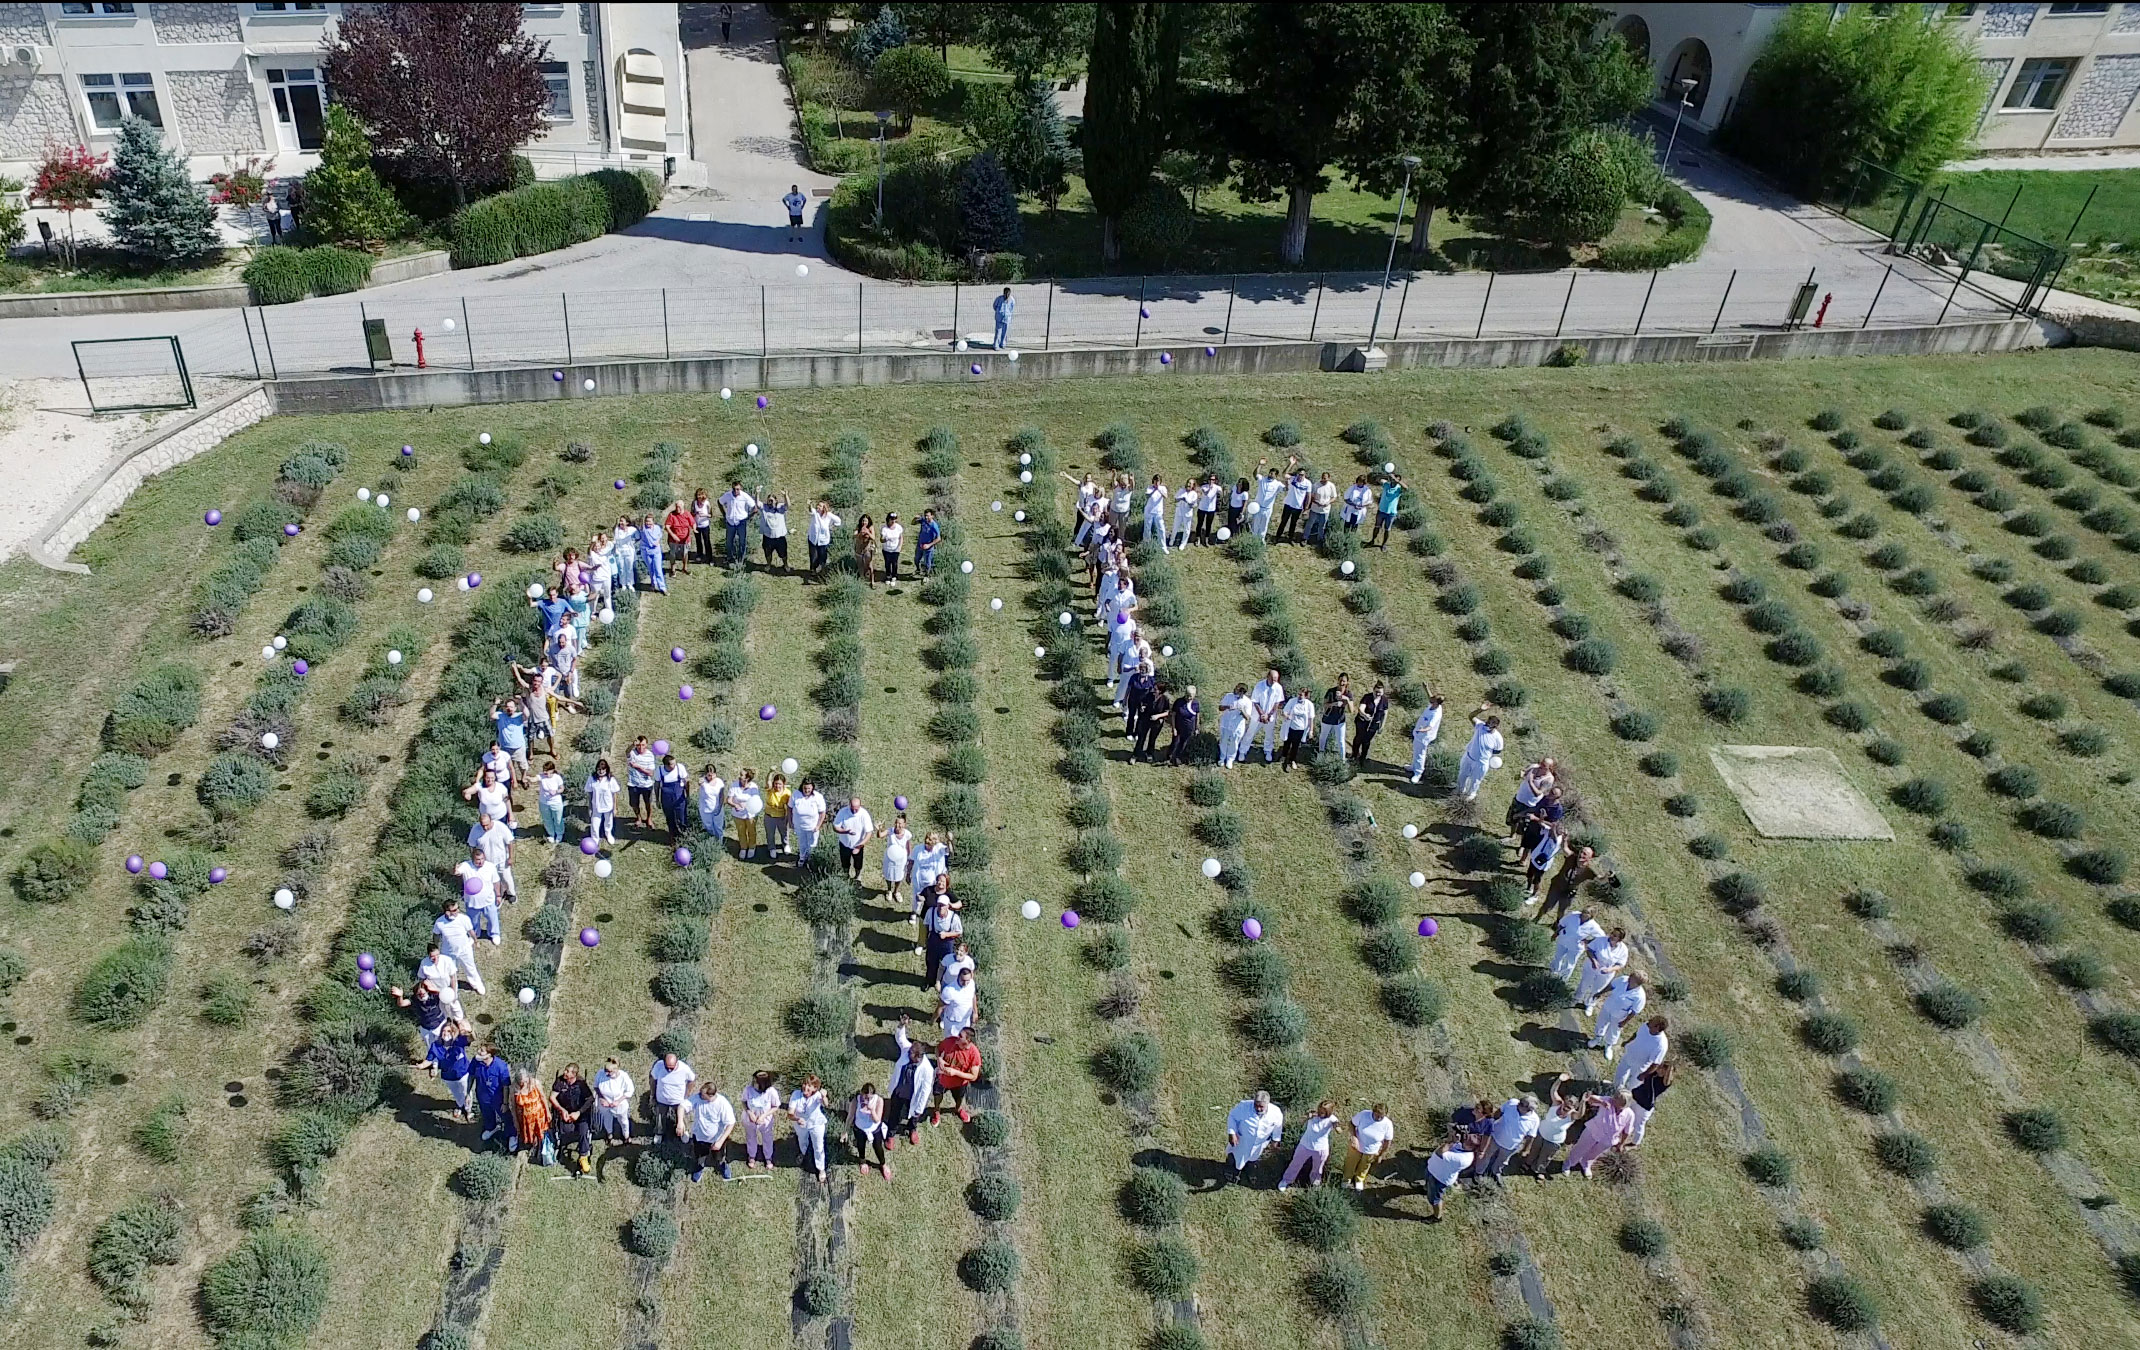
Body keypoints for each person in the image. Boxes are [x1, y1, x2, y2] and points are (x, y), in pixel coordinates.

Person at [1563, 1090, 1634, 1178]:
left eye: (1618, 1100)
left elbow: (1626, 1131)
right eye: (1616, 1098)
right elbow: (1589, 1098)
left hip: (1608, 1139)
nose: (1614, 1100)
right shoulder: (1607, 1100)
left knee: (1595, 1153)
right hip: (1594, 1130)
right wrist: (1602, 1102)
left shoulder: (1630, 1114)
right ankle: (1569, 1163)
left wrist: (1621, 1144)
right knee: (1580, 1147)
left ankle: (1585, 1164)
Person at [1520, 1074, 1579, 1179]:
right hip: (1542, 1132)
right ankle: (1528, 1163)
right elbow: (1553, 1091)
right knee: (1534, 1149)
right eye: (1565, 1104)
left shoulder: (1572, 1115)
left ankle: (1539, 1170)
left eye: (1569, 1107)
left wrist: (1584, 1101)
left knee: (1545, 1156)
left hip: (1554, 1141)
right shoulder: (1557, 1103)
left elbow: (1580, 1115)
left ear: (1573, 1108)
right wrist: (1559, 1080)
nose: (1565, 1108)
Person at [889, 1019, 937, 1145]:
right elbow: (900, 1038)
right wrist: (901, 1025)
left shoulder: (927, 1069)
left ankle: (912, 1129)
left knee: (914, 1116)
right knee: (894, 1113)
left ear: (920, 1057)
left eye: (913, 1058)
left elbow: (925, 1090)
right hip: (899, 1091)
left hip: (913, 1096)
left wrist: (920, 1108)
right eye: (910, 1055)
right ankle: (891, 1133)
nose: (910, 1058)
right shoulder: (907, 1050)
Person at [1223, 1090, 1285, 1185]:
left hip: (1259, 1144)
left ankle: (1249, 1172)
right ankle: (1232, 1172)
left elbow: (1277, 1127)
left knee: (1252, 1159)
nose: (1258, 1109)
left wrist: (1275, 1141)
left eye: (1261, 1106)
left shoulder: (1276, 1113)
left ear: (1267, 1104)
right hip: (1241, 1141)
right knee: (1234, 1157)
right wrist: (1232, 1133)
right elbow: (1232, 1117)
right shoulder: (1244, 1106)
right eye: (1256, 1105)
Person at [1279, 1100, 1339, 1191]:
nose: (1320, 1113)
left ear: (1328, 1112)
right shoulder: (1312, 1115)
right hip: (1305, 1145)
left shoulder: (1332, 1119)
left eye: (1323, 1112)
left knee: (1318, 1167)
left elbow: (1339, 1130)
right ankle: (1287, 1180)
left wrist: (1335, 1126)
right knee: (1295, 1163)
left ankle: (1315, 1182)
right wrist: (1308, 1117)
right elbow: (1299, 1122)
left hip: (1321, 1148)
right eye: (1319, 1110)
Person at [1473, 1097, 1537, 1182]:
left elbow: (1531, 1136)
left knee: (1502, 1161)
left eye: (1521, 1104)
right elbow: (1500, 1111)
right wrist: (1489, 1123)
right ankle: (1478, 1172)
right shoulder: (1512, 1103)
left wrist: (1526, 1149)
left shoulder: (1535, 1120)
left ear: (1528, 1110)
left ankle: (1495, 1172)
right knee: (1485, 1155)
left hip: (1511, 1146)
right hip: (1495, 1137)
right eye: (1520, 1101)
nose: (1518, 1103)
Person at [1540, 845, 1603, 929]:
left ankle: (1557, 924)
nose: (1581, 855)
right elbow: (1565, 848)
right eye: (1581, 852)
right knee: (1547, 905)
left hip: (1569, 892)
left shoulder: (1588, 870)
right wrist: (1564, 839)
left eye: (1584, 854)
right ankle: (1537, 918)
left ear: (1589, 858)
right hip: (1557, 886)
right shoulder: (1571, 858)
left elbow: (1600, 880)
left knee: (1562, 910)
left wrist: (1607, 877)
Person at [1590, 974, 1650, 1059]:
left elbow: (1634, 1011)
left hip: (1619, 1015)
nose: (1629, 978)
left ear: (1637, 983)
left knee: (1614, 1031)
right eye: (1630, 976)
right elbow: (1611, 986)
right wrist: (1600, 993)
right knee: (1601, 1023)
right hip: (1608, 1006)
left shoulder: (1640, 996)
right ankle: (1597, 1038)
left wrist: (1624, 1022)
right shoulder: (1622, 979)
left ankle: (1608, 1046)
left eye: (1632, 978)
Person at [433, 899, 486, 995]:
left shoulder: (464, 918)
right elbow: (436, 936)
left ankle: (477, 984)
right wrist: (436, 949)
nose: (457, 911)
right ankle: (453, 988)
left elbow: (471, 931)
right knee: (450, 971)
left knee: (470, 968)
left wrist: (476, 941)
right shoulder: (439, 922)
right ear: (447, 911)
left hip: (464, 949)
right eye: (454, 910)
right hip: (448, 952)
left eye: (457, 908)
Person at [688, 1081, 737, 1182]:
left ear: (710, 1096)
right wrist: (680, 1122)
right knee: (700, 1155)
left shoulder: (723, 1104)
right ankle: (700, 1167)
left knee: (719, 1156)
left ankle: (722, 1166)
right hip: (700, 1137)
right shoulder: (698, 1098)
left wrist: (720, 1142)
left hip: (717, 1139)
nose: (700, 1095)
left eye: (703, 1094)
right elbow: (683, 1106)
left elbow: (730, 1123)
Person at [1423, 1125, 1475, 1220]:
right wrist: (1454, 1132)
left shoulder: (1463, 1159)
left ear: (1470, 1146)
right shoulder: (1462, 1145)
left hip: (1439, 1178)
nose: (1464, 1138)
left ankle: (1437, 1217)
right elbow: (1449, 1127)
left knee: (1434, 1200)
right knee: (1428, 1184)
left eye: (1466, 1138)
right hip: (1433, 1169)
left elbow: (1439, 1152)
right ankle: (1426, 1189)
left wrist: (1451, 1141)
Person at [552, 1063, 595, 1175]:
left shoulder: (581, 1084)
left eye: (567, 1071)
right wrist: (562, 1110)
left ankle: (583, 1156)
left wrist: (578, 1113)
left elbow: (590, 1099)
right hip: (566, 1113)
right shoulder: (560, 1082)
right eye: (565, 1070)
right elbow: (552, 1098)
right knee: (565, 1130)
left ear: (574, 1074)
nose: (564, 1072)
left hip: (579, 1115)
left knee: (583, 1130)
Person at [391, 978, 451, 1059]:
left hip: (439, 1024)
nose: (421, 994)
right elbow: (401, 1004)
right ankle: (434, 1063)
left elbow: (447, 996)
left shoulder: (435, 996)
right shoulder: (415, 1000)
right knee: (430, 1047)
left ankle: (447, 1059)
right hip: (425, 1027)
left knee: (443, 1043)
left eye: (424, 991)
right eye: (419, 993)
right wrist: (400, 996)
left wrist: (435, 989)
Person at [453, 846, 502, 945]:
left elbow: (496, 882)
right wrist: (454, 869)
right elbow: (456, 872)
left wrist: (498, 895)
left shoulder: (490, 867)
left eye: (482, 859)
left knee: (493, 918)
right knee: (473, 921)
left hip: (488, 900)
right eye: (478, 860)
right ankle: (474, 934)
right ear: (472, 859)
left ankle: (494, 934)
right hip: (472, 901)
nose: (480, 862)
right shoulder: (466, 866)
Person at [1340, 1103, 1395, 1190]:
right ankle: (1346, 1179)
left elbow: (1387, 1141)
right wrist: (1354, 1137)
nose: (1379, 1118)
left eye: (1382, 1116)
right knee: (1350, 1163)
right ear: (1373, 1112)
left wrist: (1381, 1155)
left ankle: (1359, 1180)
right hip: (1356, 1146)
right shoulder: (1364, 1114)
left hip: (1371, 1150)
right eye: (1377, 1116)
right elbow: (1351, 1124)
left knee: (1365, 1166)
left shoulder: (1388, 1124)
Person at [466, 810, 517, 904]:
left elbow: (510, 842)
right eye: (483, 825)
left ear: (491, 821)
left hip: (502, 859)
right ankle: (497, 894)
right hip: (487, 862)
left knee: (506, 878)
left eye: (487, 825)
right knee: (491, 880)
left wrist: (511, 857)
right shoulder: (475, 829)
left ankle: (511, 893)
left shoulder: (500, 827)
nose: (485, 828)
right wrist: (474, 860)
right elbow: (472, 845)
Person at [1578, 929, 1632, 1014]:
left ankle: (1590, 1004)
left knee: (1598, 989)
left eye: (1615, 935)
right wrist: (1594, 961)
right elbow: (1589, 950)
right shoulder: (1600, 940)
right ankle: (1577, 998)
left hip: (1606, 972)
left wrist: (1610, 969)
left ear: (1620, 939)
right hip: (1593, 966)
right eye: (1612, 933)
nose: (1611, 936)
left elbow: (1620, 964)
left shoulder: (1623, 949)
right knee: (1585, 983)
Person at [1456, 707, 1504, 802]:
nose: (1488, 726)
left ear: (1495, 726)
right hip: (1469, 757)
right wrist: (1480, 709)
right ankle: (1459, 791)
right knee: (1462, 775)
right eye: (1487, 723)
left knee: (1475, 780)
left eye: (1491, 725)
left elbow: (1498, 750)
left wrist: (1485, 753)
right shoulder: (1480, 726)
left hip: (1481, 763)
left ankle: (1470, 795)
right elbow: (1471, 716)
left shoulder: (1498, 738)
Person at [934, 1027, 981, 1124]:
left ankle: (958, 1109)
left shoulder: (974, 1054)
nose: (957, 1037)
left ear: (968, 1041)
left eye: (960, 1036)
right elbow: (937, 1048)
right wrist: (939, 1059)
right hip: (942, 1078)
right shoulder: (950, 1041)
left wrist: (955, 1072)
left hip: (959, 1084)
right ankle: (936, 1110)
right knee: (937, 1095)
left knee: (959, 1098)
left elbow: (973, 1076)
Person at [430, 1019, 474, 1121]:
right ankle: (459, 1105)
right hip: (448, 1076)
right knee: (456, 1093)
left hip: (463, 1073)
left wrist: (470, 1031)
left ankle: (468, 1110)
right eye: (444, 1031)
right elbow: (435, 1058)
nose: (445, 1034)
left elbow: (472, 1038)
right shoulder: (437, 1044)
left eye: (449, 1031)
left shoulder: (459, 1041)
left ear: (454, 1032)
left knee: (466, 1092)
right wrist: (435, 1068)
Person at [1614, 1015, 1671, 1093]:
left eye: (1652, 1021)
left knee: (1631, 1088)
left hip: (1640, 1067)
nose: (1649, 1020)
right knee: (1619, 1078)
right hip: (1629, 1056)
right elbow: (1636, 1034)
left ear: (1657, 1028)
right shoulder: (1645, 1026)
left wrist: (1643, 1075)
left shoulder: (1661, 1045)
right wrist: (1628, 1042)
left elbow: (1655, 1064)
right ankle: (1615, 1091)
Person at [790, 1074, 830, 1182]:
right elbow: (790, 1113)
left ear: (815, 1088)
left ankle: (821, 1168)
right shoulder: (796, 1095)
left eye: (809, 1086)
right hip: (801, 1124)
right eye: (804, 1084)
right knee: (802, 1140)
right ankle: (803, 1153)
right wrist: (797, 1119)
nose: (805, 1087)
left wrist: (824, 1096)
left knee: (818, 1146)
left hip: (816, 1124)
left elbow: (826, 1104)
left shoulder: (817, 1096)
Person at [650, 1050, 697, 1140]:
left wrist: (687, 1094)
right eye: (667, 1067)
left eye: (672, 1068)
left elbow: (692, 1080)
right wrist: (653, 1093)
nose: (669, 1070)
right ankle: (659, 1133)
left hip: (678, 1100)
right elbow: (653, 1079)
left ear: (677, 1063)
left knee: (682, 1117)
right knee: (660, 1117)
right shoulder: (659, 1066)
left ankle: (684, 1131)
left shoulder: (684, 1069)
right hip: (662, 1099)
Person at [1507, 759, 1558, 842]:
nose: (1540, 766)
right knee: (1513, 818)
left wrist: (1531, 782)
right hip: (1520, 797)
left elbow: (1538, 793)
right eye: (1541, 763)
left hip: (1530, 804)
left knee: (1525, 826)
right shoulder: (1533, 767)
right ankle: (1512, 835)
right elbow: (1523, 773)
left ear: (1550, 768)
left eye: (1544, 766)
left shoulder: (1549, 779)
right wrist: (1520, 774)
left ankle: (1522, 846)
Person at [471, 1044, 513, 1142]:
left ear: (489, 1055)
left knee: (506, 1116)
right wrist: (467, 1093)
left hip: (497, 1097)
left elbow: (506, 1086)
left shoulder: (500, 1066)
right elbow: (471, 1076)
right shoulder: (476, 1062)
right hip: (482, 1096)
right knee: (487, 1114)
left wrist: (505, 1103)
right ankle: (491, 1128)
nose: (478, 1052)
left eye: (482, 1050)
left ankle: (512, 1134)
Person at [1627, 1059, 1674, 1147]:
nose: (1660, 1070)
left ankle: (1634, 1143)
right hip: (1636, 1096)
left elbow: (1667, 1079)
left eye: (1663, 1069)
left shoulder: (1664, 1083)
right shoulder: (1653, 1073)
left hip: (1645, 1105)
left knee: (1638, 1125)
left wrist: (1670, 1067)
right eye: (1660, 1067)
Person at [1552, 907, 1607, 981]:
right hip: (1563, 939)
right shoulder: (1573, 915)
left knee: (1570, 963)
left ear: (1591, 915)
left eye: (1587, 913)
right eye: (1583, 911)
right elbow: (1562, 924)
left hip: (1576, 946)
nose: (1584, 914)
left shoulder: (1593, 926)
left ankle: (1562, 979)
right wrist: (1555, 934)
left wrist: (1588, 941)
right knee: (1558, 957)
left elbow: (1601, 937)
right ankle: (1553, 972)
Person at [850, 1081, 891, 1178]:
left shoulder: (879, 1101)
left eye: (869, 1098)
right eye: (865, 1097)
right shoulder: (856, 1100)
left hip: (874, 1129)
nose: (866, 1100)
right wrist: (845, 1131)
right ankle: (862, 1161)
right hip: (859, 1128)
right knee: (861, 1145)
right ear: (861, 1093)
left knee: (878, 1147)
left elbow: (877, 1120)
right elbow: (850, 1116)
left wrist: (872, 1110)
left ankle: (883, 1164)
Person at [743, 1070, 782, 1170]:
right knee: (750, 1137)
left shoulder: (771, 1092)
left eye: (755, 1081)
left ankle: (768, 1157)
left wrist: (764, 1116)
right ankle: (752, 1156)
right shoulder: (748, 1089)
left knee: (767, 1138)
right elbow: (744, 1102)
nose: (753, 1083)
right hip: (750, 1119)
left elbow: (775, 1106)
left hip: (765, 1121)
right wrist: (749, 1113)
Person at [922, 889, 963, 984]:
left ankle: (943, 981)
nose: (940, 907)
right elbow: (926, 925)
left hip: (947, 942)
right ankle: (930, 981)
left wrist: (947, 934)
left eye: (943, 905)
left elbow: (959, 932)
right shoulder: (931, 912)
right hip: (933, 939)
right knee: (931, 961)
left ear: (948, 906)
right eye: (939, 905)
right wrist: (925, 940)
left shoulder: (954, 918)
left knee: (947, 962)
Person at [511, 1069, 553, 1160]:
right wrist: (515, 1121)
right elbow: (513, 1106)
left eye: (525, 1082)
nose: (524, 1084)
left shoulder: (535, 1083)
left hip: (538, 1115)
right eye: (521, 1083)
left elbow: (543, 1097)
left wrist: (548, 1112)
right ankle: (532, 1146)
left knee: (540, 1133)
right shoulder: (514, 1088)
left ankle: (539, 1149)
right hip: (524, 1118)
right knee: (528, 1134)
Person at [593, 1057, 634, 1145]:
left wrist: (618, 1101)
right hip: (604, 1104)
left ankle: (626, 1136)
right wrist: (601, 1098)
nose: (607, 1073)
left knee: (623, 1120)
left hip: (619, 1105)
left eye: (609, 1071)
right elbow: (596, 1087)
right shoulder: (600, 1074)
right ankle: (609, 1134)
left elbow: (630, 1091)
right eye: (606, 1070)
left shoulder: (624, 1077)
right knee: (607, 1119)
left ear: (616, 1069)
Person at [833, 795, 873, 881]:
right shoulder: (843, 812)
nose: (854, 811)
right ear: (849, 805)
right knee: (845, 862)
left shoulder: (864, 814)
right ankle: (846, 875)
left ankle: (857, 876)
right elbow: (835, 827)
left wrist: (860, 846)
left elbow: (869, 832)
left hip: (858, 845)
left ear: (860, 806)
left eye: (856, 809)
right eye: (852, 808)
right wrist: (845, 831)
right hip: (844, 844)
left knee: (858, 864)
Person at [880, 813, 915, 912]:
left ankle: (896, 891)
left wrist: (910, 858)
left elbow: (908, 846)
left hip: (901, 859)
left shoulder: (907, 834)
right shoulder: (890, 831)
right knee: (888, 874)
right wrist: (879, 829)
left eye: (900, 823)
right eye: (896, 823)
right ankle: (889, 890)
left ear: (904, 824)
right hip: (890, 858)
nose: (897, 825)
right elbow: (880, 835)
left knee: (899, 876)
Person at [727, 768, 765, 858]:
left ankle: (752, 847)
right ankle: (743, 847)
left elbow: (756, 800)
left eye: (741, 775)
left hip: (750, 814)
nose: (739, 777)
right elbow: (728, 800)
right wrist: (735, 805)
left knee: (752, 831)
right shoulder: (734, 785)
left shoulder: (753, 787)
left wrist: (747, 804)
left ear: (747, 778)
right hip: (738, 814)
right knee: (741, 832)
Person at [1250, 669, 1287, 763]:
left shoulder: (1278, 687)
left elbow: (1277, 703)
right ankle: (1243, 750)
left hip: (1270, 717)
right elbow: (1255, 701)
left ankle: (1268, 751)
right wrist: (1262, 714)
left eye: (1276, 679)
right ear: (1268, 677)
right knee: (1250, 733)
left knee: (1269, 734)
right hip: (1257, 715)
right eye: (1273, 679)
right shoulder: (1259, 685)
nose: (1275, 681)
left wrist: (1269, 715)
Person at [1217, 683, 1257, 769]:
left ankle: (1230, 759)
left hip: (1237, 727)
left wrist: (1241, 710)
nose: (1234, 689)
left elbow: (1247, 717)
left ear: (1242, 692)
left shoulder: (1247, 702)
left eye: (1237, 689)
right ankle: (1222, 757)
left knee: (1234, 743)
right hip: (1226, 723)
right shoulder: (1228, 696)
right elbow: (1220, 708)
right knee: (1223, 741)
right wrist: (1228, 707)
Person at [718, 480, 757, 566]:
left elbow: (755, 508)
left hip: (741, 522)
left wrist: (748, 517)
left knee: (742, 541)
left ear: (741, 489)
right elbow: (719, 502)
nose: (736, 491)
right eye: (734, 489)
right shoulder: (727, 495)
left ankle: (741, 559)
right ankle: (730, 558)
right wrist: (724, 514)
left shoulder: (744, 496)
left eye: (738, 489)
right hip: (730, 522)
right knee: (729, 541)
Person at [584, 758, 621, 848]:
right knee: (595, 824)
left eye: (603, 769)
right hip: (596, 806)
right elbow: (589, 793)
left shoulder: (610, 779)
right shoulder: (592, 779)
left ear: (606, 769)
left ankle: (608, 834)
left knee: (608, 822)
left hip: (608, 806)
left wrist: (615, 808)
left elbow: (614, 794)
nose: (601, 771)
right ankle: (595, 839)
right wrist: (590, 807)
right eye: (599, 769)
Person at [1352, 682, 1390, 766]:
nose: (1378, 694)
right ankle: (1354, 755)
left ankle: (1363, 758)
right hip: (1362, 722)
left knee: (1366, 741)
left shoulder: (1384, 700)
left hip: (1373, 725)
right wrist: (1365, 715)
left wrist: (1382, 726)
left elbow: (1385, 713)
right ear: (1373, 690)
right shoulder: (1367, 697)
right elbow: (1361, 708)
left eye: (1380, 692)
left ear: (1383, 692)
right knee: (1359, 738)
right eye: (1376, 692)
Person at [791, 779, 828, 863]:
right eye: (805, 788)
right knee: (802, 843)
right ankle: (802, 858)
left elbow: (822, 812)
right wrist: (790, 822)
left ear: (812, 788)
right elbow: (789, 808)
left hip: (812, 827)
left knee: (812, 844)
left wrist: (818, 826)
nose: (807, 790)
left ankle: (811, 859)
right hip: (799, 826)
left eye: (809, 788)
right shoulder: (796, 794)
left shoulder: (818, 797)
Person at [1524, 826, 1565, 903]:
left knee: (1537, 880)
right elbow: (1541, 824)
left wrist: (1553, 830)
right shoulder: (1548, 832)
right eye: (1558, 828)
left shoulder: (1559, 840)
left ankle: (1535, 895)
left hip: (1542, 863)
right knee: (1529, 874)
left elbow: (1555, 841)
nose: (1559, 830)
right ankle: (1529, 888)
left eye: (1561, 829)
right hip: (1535, 856)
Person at [1134, 681, 1172, 761]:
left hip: (1157, 722)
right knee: (1141, 738)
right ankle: (1136, 754)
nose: (1153, 690)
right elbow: (1142, 703)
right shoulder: (1149, 695)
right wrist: (1142, 707)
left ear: (1160, 691)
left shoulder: (1165, 699)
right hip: (1146, 719)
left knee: (1152, 738)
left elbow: (1168, 712)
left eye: (1155, 689)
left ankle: (1149, 753)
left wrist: (1158, 716)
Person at [625, 736, 658, 831]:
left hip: (646, 784)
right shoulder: (632, 753)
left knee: (648, 803)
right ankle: (638, 818)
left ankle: (649, 819)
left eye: (643, 745)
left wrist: (638, 767)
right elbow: (627, 752)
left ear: (646, 745)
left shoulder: (650, 755)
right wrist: (632, 745)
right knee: (634, 804)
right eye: (638, 745)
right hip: (633, 784)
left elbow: (650, 773)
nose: (640, 747)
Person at [1280, 688, 1317, 770]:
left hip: (1301, 729)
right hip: (1290, 726)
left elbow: (1311, 719)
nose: (1299, 696)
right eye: (1299, 694)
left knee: (1295, 745)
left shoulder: (1309, 705)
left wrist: (1311, 731)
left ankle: (1292, 760)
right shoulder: (1292, 701)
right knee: (1287, 742)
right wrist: (1287, 716)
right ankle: (1284, 756)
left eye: (1301, 695)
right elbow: (1284, 711)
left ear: (1306, 696)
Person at [658, 752, 690, 846]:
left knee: (682, 817)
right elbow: (657, 785)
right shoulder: (660, 770)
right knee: (670, 818)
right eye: (672, 764)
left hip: (679, 797)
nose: (675, 765)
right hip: (666, 798)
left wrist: (687, 795)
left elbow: (686, 782)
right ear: (666, 765)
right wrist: (657, 799)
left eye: (675, 763)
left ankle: (684, 836)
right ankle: (673, 836)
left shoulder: (680, 768)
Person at [806, 500, 843, 580]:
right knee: (813, 556)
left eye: (820, 506)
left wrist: (832, 525)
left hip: (823, 541)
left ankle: (822, 571)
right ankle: (813, 570)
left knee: (822, 557)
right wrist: (809, 505)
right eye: (818, 505)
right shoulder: (815, 513)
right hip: (813, 539)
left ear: (824, 508)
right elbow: (810, 510)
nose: (818, 507)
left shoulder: (828, 515)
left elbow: (838, 521)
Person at [1317, 675, 1353, 758]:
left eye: (1344, 681)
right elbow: (1324, 705)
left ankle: (1342, 760)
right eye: (1340, 680)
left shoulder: (1348, 693)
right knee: (1323, 737)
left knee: (1340, 741)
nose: (1342, 683)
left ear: (1347, 682)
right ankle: (1321, 754)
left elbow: (1351, 710)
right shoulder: (1331, 691)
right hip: (1328, 719)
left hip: (1340, 721)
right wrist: (1334, 704)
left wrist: (1346, 699)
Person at [1167, 684, 1201, 766]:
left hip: (1189, 728)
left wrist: (1196, 728)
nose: (1189, 698)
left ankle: (1178, 757)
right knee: (1175, 742)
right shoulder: (1179, 702)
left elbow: (1197, 716)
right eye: (1188, 696)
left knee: (1184, 743)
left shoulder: (1196, 703)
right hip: (1179, 727)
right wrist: (1174, 728)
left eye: (1191, 696)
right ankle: (1170, 756)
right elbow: (1173, 715)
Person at [534, 761, 567, 845]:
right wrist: (526, 777)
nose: (545, 773)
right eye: (544, 770)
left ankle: (559, 834)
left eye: (547, 771)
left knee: (558, 819)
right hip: (544, 803)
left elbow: (562, 788)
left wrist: (556, 791)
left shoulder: (557, 778)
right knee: (547, 819)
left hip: (556, 803)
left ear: (552, 770)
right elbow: (533, 779)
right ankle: (551, 834)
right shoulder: (541, 776)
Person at [939, 966, 978, 1037]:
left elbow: (973, 996)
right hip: (952, 1023)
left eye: (967, 980)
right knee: (950, 1042)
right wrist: (933, 1020)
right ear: (958, 977)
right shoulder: (949, 990)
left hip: (965, 1021)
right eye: (963, 980)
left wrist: (975, 1012)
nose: (966, 983)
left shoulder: (971, 983)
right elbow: (940, 1007)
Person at [696, 762, 728, 844]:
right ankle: (712, 840)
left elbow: (721, 796)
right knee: (708, 825)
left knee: (718, 826)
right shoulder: (703, 781)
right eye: (709, 775)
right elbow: (699, 782)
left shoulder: (719, 782)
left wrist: (720, 807)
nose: (711, 777)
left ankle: (720, 842)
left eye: (713, 774)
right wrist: (700, 782)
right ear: (706, 774)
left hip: (717, 808)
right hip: (705, 809)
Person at [764, 772, 793, 858]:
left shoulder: (787, 793)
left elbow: (790, 806)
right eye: (776, 784)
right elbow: (767, 781)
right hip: (769, 815)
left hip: (781, 816)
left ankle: (786, 845)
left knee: (784, 832)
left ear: (784, 784)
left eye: (779, 784)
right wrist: (770, 772)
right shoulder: (770, 789)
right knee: (770, 833)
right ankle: (772, 848)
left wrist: (789, 817)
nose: (777, 786)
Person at [759, 491, 790, 570]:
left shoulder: (780, 508)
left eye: (772, 500)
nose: (770, 502)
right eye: (769, 500)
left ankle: (785, 565)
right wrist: (757, 493)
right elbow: (757, 503)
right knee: (768, 553)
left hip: (780, 537)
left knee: (783, 553)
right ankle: (768, 565)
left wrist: (785, 495)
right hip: (768, 537)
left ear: (776, 501)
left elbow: (788, 505)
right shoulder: (765, 508)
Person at [1304, 471, 1337, 544]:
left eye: (1325, 478)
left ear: (1328, 478)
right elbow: (1311, 496)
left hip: (1325, 510)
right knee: (1310, 523)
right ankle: (1305, 538)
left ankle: (1320, 539)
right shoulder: (1316, 485)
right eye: (1323, 478)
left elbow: (1334, 497)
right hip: (1315, 508)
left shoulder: (1331, 486)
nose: (1324, 480)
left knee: (1322, 525)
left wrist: (1328, 502)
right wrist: (1316, 502)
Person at [665, 499, 694, 577]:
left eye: (679, 507)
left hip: (685, 540)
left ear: (683, 507)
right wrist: (673, 535)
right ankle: (673, 569)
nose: (678, 509)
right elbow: (667, 526)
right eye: (676, 507)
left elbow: (693, 523)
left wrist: (694, 528)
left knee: (685, 553)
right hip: (673, 540)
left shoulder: (687, 514)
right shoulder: (672, 515)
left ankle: (685, 568)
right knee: (672, 554)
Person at [1143, 475, 1170, 549]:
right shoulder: (1150, 488)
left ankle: (1163, 546)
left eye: (1158, 481)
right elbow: (1147, 495)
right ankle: (1146, 544)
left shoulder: (1163, 488)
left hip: (1158, 512)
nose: (1156, 482)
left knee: (1161, 528)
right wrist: (1154, 490)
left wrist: (1159, 490)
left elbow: (1165, 496)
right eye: (1155, 480)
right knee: (1147, 528)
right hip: (1149, 511)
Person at [1169, 479, 1196, 550]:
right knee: (1175, 527)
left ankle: (1183, 543)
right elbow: (1175, 499)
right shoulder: (1181, 490)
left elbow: (1192, 505)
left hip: (1187, 514)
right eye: (1188, 482)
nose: (1189, 484)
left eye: (1190, 483)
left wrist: (1187, 501)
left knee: (1186, 529)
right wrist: (1181, 498)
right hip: (1179, 512)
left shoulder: (1194, 494)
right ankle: (1172, 540)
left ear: (1193, 485)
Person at [691, 488, 716, 565]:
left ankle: (709, 558)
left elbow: (711, 515)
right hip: (697, 525)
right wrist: (695, 513)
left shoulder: (707, 503)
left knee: (707, 541)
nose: (700, 498)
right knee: (698, 541)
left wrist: (704, 515)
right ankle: (699, 554)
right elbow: (691, 513)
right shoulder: (694, 503)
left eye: (702, 496)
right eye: (699, 496)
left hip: (705, 525)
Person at [853, 514, 878, 587]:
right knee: (860, 565)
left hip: (867, 549)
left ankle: (872, 581)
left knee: (869, 565)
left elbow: (873, 537)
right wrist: (860, 533)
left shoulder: (871, 527)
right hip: (859, 549)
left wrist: (867, 532)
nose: (864, 522)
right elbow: (854, 535)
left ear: (868, 521)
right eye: (863, 521)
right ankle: (861, 578)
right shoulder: (858, 527)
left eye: (866, 521)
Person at [1196, 473, 1222, 544]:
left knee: (1208, 524)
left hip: (1211, 509)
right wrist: (1210, 488)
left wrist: (1219, 493)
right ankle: (1197, 538)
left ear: (1215, 480)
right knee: (1200, 523)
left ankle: (1207, 538)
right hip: (1202, 508)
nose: (1211, 481)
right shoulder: (1204, 487)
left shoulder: (1217, 487)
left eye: (1213, 480)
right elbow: (1206, 493)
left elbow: (1221, 493)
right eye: (1210, 479)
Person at [914, 508, 940, 576]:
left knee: (927, 563)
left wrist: (929, 545)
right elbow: (912, 523)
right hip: (920, 545)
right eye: (925, 515)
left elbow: (938, 538)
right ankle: (918, 570)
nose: (926, 517)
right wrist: (914, 518)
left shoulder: (934, 525)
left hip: (928, 548)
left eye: (928, 516)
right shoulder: (923, 521)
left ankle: (927, 575)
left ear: (932, 516)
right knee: (916, 559)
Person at [880, 511, 905, 583]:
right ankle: (888, 575)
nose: (893, 520)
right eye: (892, 519)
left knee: (894, 563)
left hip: (895, 549)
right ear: (888, 519)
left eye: (894, 519)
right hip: (886, 549)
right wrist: (885, 539)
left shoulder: (898, 527)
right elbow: (881, 539)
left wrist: (899, 546)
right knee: (887, 563)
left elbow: (901, 537)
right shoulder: (884, 528)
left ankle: (894, 576)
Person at [992, 285, 1014, 350]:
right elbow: (994, 306)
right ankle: (996, 345)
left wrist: (1008, 314)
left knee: (1005, 332)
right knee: (998, 332)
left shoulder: (1012, 300)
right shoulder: (999, 299)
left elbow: (1012, 308)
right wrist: (999, 312)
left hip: (1007, 318)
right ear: (1004, 293)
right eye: (1006, 293)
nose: (1007, 295)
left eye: (1008, 294)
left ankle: (1003, 344)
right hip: (999, 318)